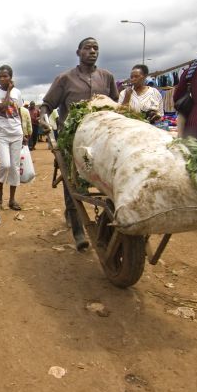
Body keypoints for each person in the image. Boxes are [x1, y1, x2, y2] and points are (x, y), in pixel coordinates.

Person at [41, 37, 119, 251]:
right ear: (78, 52)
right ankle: (78, 230)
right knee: (72, 183)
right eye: (87, 48)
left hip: (103, 140)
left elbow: (115, 105)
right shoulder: (64, 78)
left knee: (108, 182)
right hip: (73, 140)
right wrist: (43, 119)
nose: (92, 51)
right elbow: (47, 105)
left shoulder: (107, 77)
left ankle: (106, 222)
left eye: (96, 48)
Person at [0, 65, 24, 211]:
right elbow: (2, 108)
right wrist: (9, 91)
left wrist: (24, 130)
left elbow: (19, 111)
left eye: (5, 76)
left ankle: (12, 199)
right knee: (6, 165)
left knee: (15, 168)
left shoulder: (18, 92)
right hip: (2, 133)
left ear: (11, 77)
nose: (2, 79)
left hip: (17, 133)